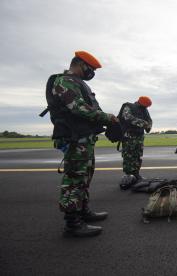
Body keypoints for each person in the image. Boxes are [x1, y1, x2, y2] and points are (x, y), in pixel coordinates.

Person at [49, 51, 118, 237]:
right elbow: (78, 108)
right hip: (74, 138)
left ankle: (83, 211)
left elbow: (90, 108)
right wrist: (107, 117)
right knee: (75, 179)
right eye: (91, 68)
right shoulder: (65, 81)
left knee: (85, 177)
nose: (92, 72)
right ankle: (72, 224)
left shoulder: (79, 84)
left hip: (84, 137)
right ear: (79, 64)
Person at [120, 96, 153, 182]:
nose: (146, 108)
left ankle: (136, 174)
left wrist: (148, 125)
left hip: (139, 136)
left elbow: (149, 120)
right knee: (128, 156)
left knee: (138, 155)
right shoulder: (128, 106)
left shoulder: (144, 110)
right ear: (140, 103)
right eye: (145, 106)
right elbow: (127, 117)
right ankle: (128, 176)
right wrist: (143, 123)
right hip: (129, 136)